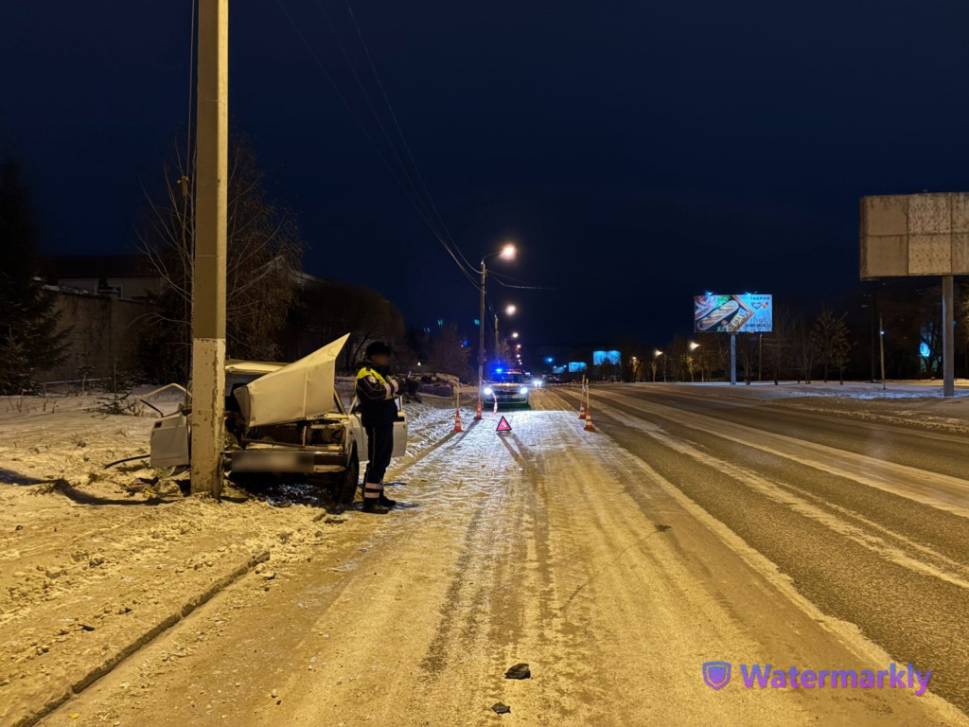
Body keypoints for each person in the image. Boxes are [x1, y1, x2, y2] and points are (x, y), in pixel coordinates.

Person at [355, 341, 400, 513]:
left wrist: (398, 386)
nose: (386, 360)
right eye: (383, 356)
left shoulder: (382, 374)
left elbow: (389, 391)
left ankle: (377, 495)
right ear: (374, 357)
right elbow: (376, 393)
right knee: (376, 460)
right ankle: (370, 502)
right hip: (375, 422)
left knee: (383, 460)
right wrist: (396, 386)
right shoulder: (365, 374)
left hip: (385, 420)